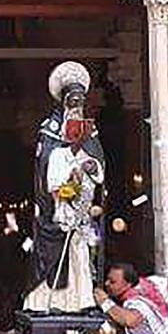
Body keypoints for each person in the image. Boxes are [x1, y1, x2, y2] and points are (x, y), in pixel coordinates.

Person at [25, 60, 107, 313]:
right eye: (72, 99)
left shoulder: (89, 131)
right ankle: (48, 303)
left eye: (80, 99)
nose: (76, 103)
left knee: (82, 255)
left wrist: (92, 166)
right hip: (57, 205)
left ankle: (82, 301)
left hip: (82, 206)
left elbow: (97, 162)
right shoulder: (50, 130)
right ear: (63, 100)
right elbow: (45, 166)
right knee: (53, 253)